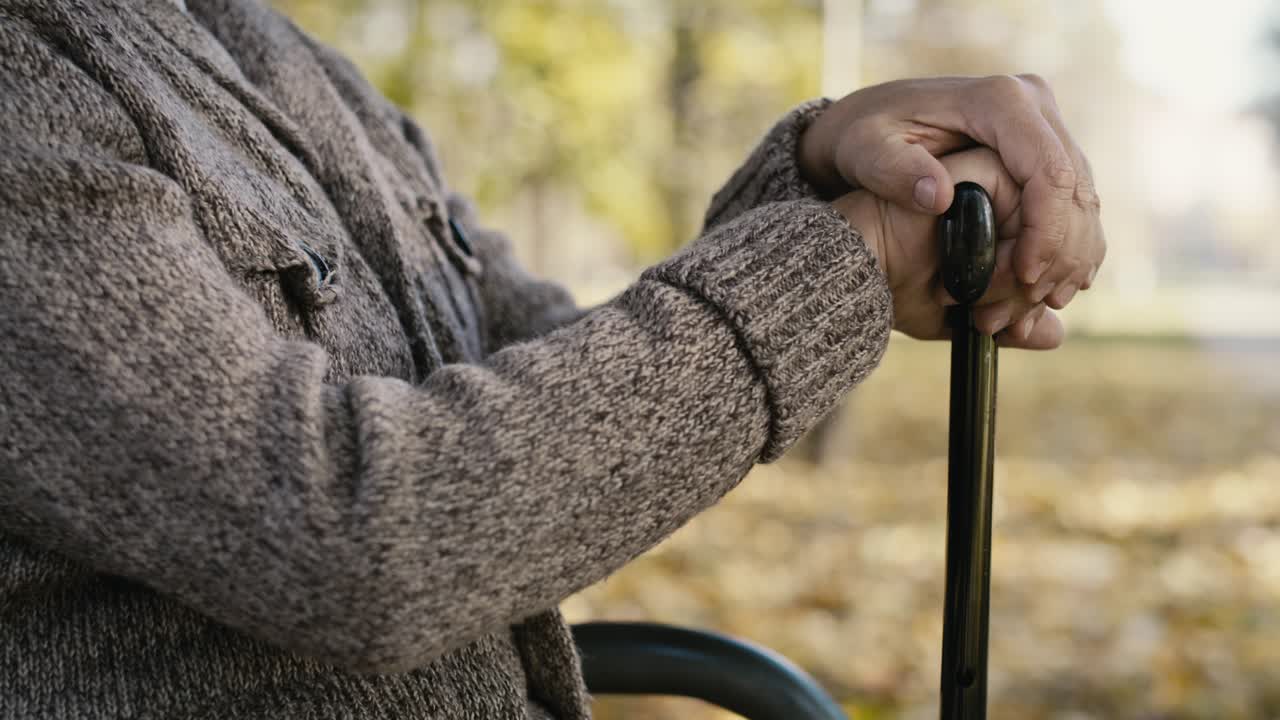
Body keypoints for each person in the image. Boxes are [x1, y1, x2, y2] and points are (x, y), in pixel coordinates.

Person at [0, 0, 1105, 718]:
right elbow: (355, 540)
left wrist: (814, 182)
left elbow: (541, 388)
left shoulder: (277, 57)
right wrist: (841, 261)